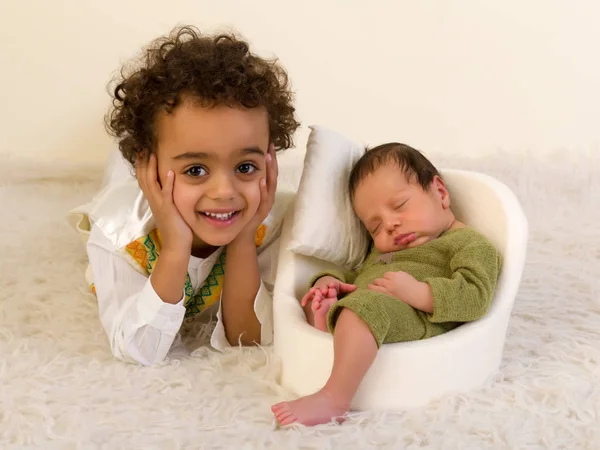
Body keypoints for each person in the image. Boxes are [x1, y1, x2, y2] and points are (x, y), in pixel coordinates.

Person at [67, 25, 300, 366]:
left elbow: (247, 339)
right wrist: (176, 246)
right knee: (117, 175)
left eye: (246, 167)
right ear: (151, 167)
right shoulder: (119, 230)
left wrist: (244, 238)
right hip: (136, 199)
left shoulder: (275, 220)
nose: (224, 192)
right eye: (196, 170)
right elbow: (138, 349)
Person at [272, 143, 501, 426]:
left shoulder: (469, 243)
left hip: (419, 319)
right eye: (375, 227)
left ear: (440, 193)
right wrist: (331, 282)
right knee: (331, 298)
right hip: (370, 307)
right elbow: (362, 278)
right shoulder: (383, 252)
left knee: (364, 307)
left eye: (400, 206)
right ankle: (329, 319)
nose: (390, 224)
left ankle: (334, 398)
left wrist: (420, 293)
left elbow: (477, 296)